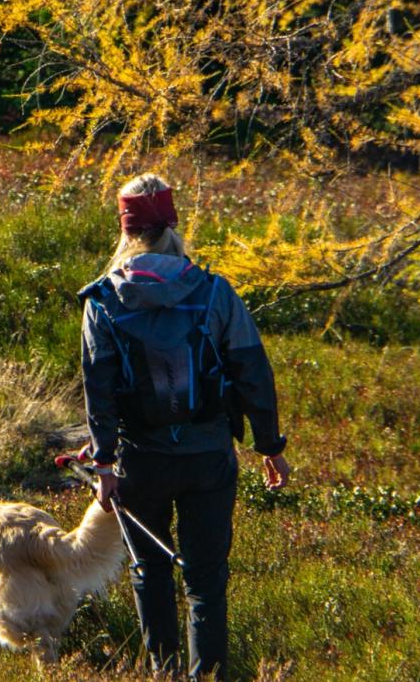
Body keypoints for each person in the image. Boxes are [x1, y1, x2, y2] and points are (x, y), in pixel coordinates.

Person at [77, 173, 291, 680]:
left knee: (149, 571)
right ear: (174, 224)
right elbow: (252, 373)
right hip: (208, 458)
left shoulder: (102, 300)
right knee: (206, 579)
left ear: (126, 232)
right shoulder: (215, 291)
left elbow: (98, 388)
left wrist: (104, 462)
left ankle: (163, 673)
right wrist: (270, 446)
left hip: (139, 460)